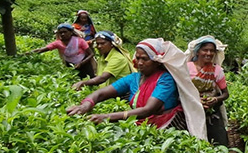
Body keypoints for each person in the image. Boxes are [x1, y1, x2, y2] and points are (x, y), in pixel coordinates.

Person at [67, 38, 207, 140]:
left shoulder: (166, 79)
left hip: (167, 127)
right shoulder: (134, 78)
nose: (140, 63)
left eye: (145, 59)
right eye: (138, 58)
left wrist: (106, 117)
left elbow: (148, 109)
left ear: (157, 61)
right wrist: (86, 105)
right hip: (142, 126)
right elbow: (102, 93)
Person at [186, 35, 229, 146]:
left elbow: (225, 94)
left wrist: (215, 99)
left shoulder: (217, 70)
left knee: (218, 141)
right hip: (190, 110)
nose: (209, 53)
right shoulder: (186, 68)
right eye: (205, 50)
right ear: (197, 51)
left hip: (212, 112)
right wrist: (196, 100)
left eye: (212, 51)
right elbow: (181, 91)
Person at [27, 23, 95, 79]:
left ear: (71, 32)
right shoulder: (58, 43)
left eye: (65, 32)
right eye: (61, 32)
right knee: (75, 79)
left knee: (90, 78)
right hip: (70, 64)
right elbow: (42, 49)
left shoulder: (79, 41)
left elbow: (91, 54)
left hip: (85, 63)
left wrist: (81, 63)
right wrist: (26, 54)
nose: (62, 34)